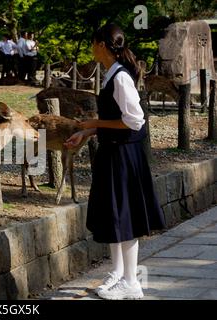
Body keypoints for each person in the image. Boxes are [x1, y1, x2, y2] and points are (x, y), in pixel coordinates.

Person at [64, 23, 166, 300]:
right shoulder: (112, 73)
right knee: (113, 214)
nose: (91, 48)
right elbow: (116, 119)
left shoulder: (120, 77)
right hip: (112, 152)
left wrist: (93, 122)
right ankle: (118, 273)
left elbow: (134, 120)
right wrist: (88, 131)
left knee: (125, 216)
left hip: (123, 155)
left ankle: (132, 283)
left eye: (93, 43)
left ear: (101, 45)